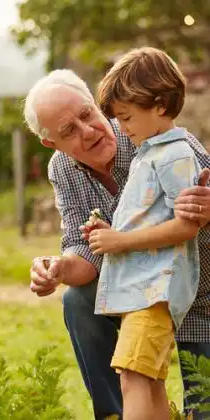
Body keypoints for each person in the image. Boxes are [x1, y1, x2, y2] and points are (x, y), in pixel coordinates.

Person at [24, 63, 210, 418]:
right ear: (52, 143)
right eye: (69, 130)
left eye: (87, 114)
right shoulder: (62, 169)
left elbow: (197, 201)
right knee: (79, 302)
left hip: (201, 291)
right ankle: (114, 414)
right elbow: (85, 250)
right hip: (138, 290)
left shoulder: (150, 130)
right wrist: (59, 267)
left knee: (202, 405)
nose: (89, 130)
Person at [81, 47, 200, 420]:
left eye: (127, 117)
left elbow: (187, 225)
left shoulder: (175, 155)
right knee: (147, 382)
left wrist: (120, 241)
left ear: (160, 105)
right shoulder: (148, 153)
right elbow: (149, 219)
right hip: (142, 290)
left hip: (156, 290)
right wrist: (110, 231)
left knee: (132, 377)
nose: (123, 127)